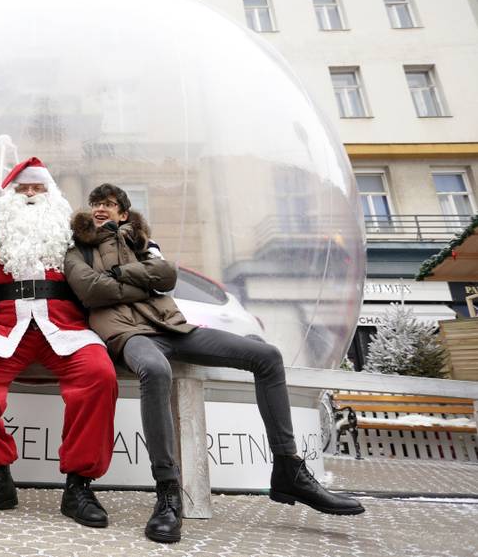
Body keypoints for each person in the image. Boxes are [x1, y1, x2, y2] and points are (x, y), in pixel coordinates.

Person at [64, 183, 365, 544]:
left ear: (123, 214)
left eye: (109, 204)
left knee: (267, 356)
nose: (100, 208)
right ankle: (168, 491)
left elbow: (169, 277)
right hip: (128, 334)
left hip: (171, 326)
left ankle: (288, 469)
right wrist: (141, 282)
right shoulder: (77, 248)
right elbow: (90, 291)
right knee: (156, 370)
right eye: (96, 202)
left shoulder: (141, 243)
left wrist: (118, 276)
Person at [0, 158, 118, 528]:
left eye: (37, 188)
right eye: (22, 188)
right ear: (8, 196)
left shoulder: (72, 231)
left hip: (65, 325)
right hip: (5, 325)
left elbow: (118, 248)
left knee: (99, 374)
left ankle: (79, 485)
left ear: (51, 194)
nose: (29, 194)